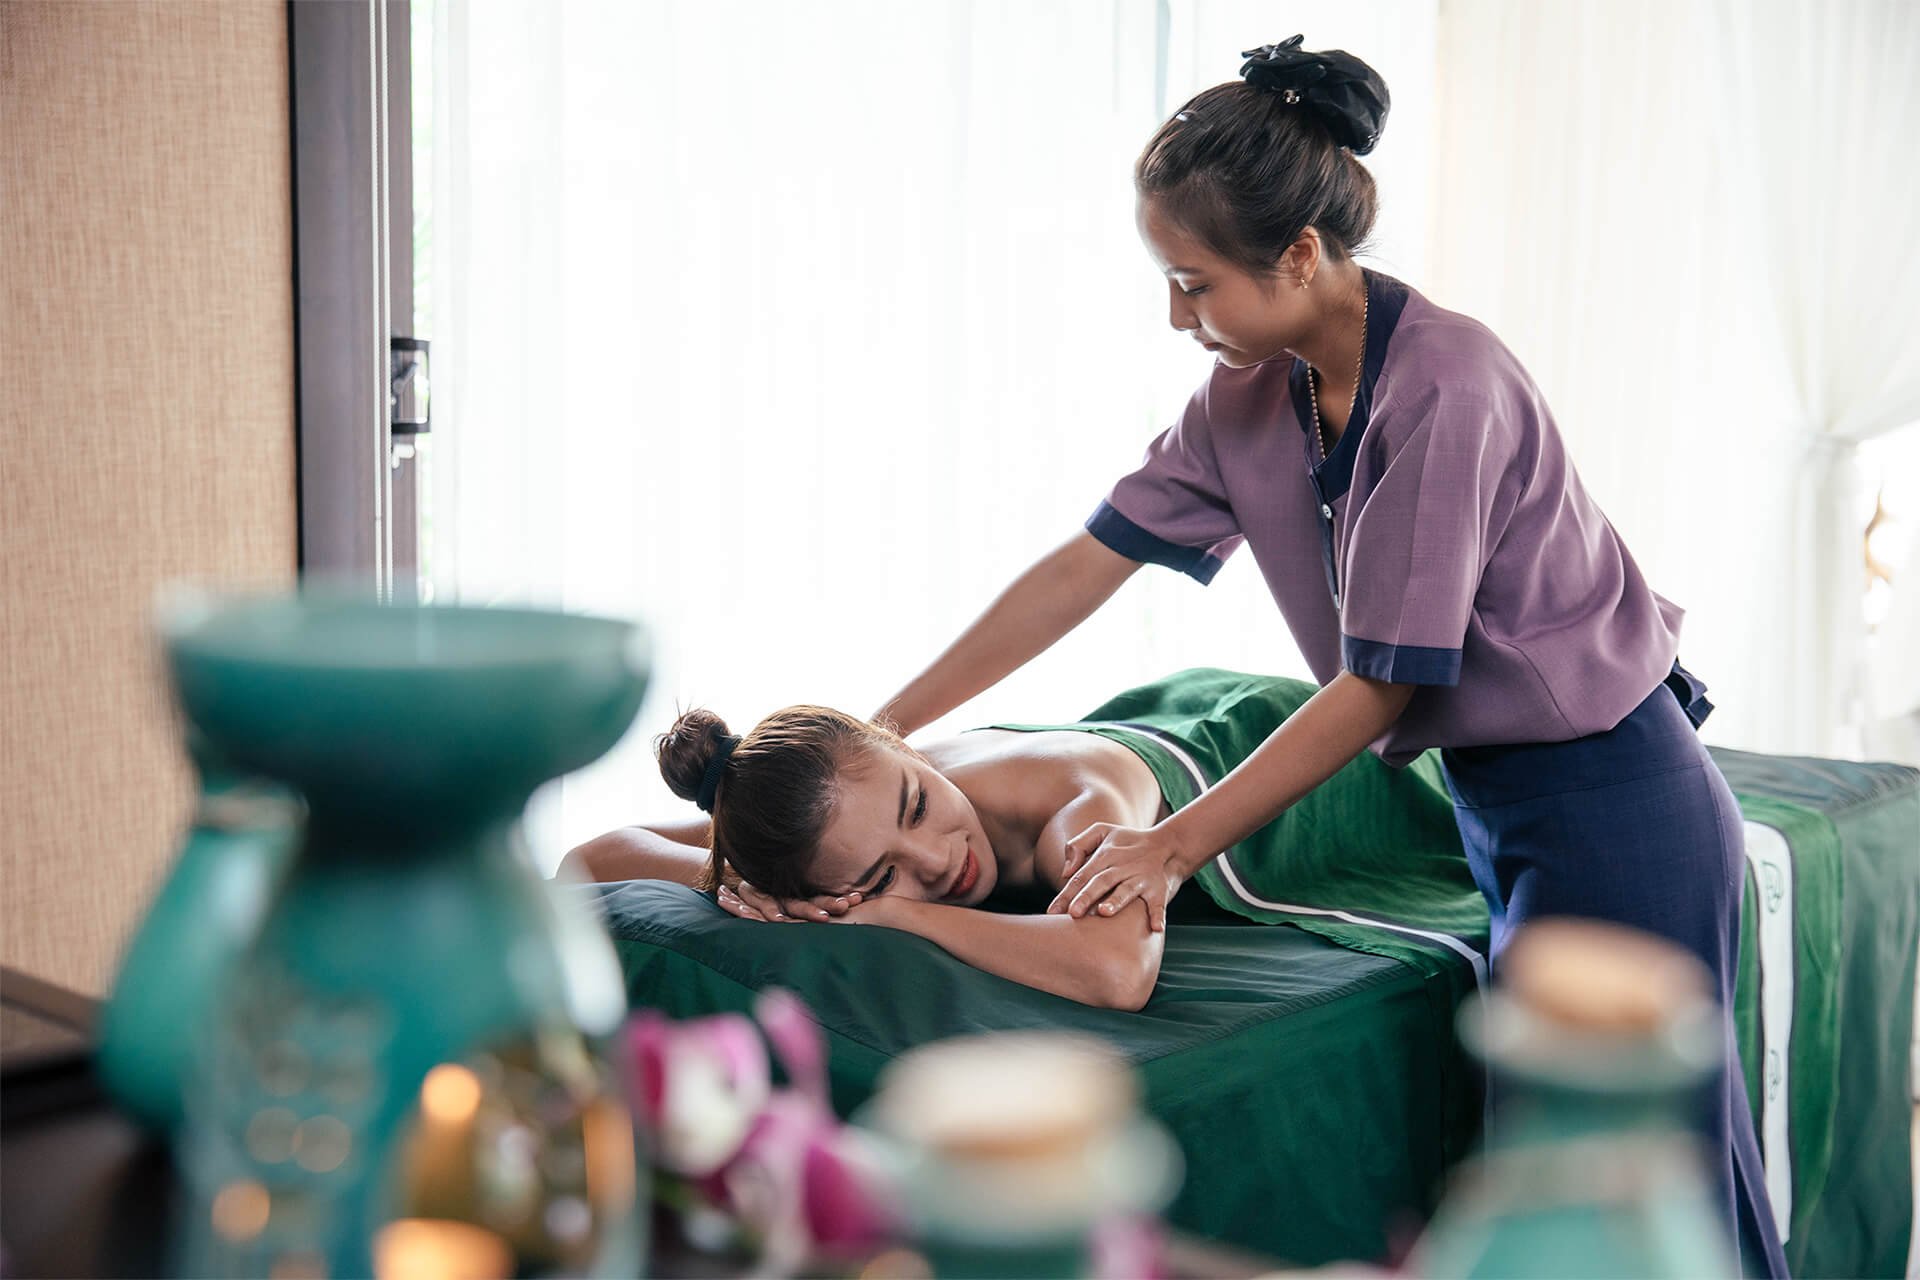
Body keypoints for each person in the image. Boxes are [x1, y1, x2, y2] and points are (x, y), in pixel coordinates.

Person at [855, 35, 1788, 1279]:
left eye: (1193, 284)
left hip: (1618, 802)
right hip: (1503, 809)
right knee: (1562, 1189)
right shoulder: (1250, 394)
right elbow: (1087, 563)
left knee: (1627, 1199)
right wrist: (885, 724)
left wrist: (1173, 842)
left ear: (1298, 256)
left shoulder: (1447, 384)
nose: (1177, 315)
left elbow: (1382, 681)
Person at [559, 669, 1484, 1012]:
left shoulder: (1073, 816)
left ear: (899, 740)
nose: (937, 861)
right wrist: (763, 891)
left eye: (919, 806)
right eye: (884, 872)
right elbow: (592, 859)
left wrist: (892, 914)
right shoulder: (818, 811)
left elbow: (1114, 969)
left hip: (1315, 771)